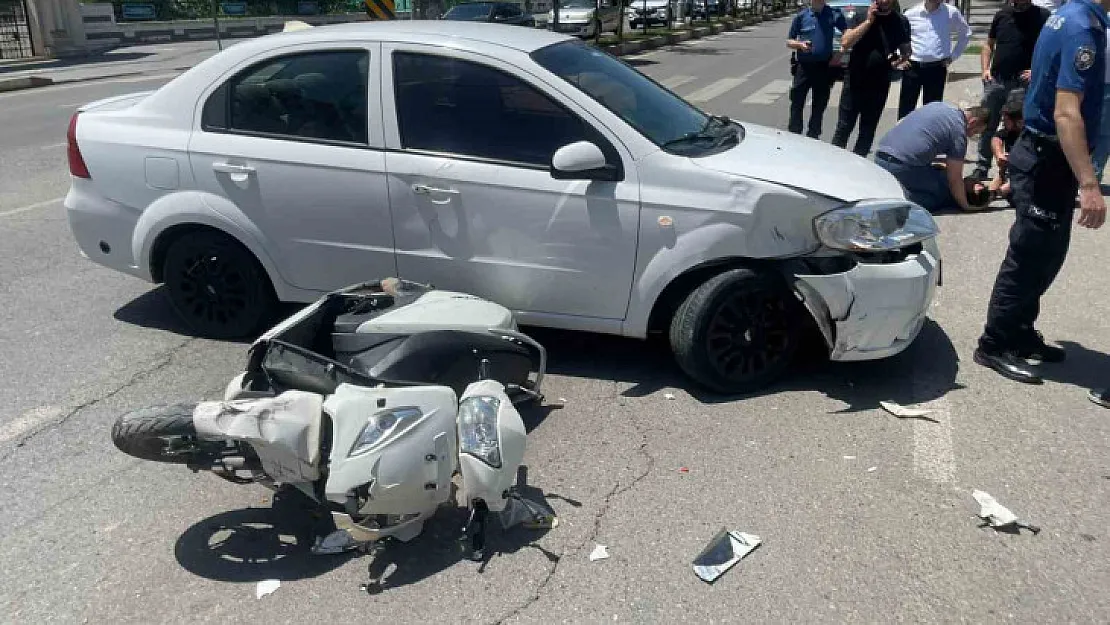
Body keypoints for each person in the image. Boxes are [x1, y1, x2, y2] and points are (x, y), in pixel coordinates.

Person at [974, 0, 1109, 384]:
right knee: (1030, 254)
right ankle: (995, 342)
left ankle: (1018, 331)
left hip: (1050, 157)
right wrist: (1089, 183)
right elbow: (1066, 113)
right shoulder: (1082, 27)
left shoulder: (1069, 15)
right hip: (1046, 159)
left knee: (1047, 253)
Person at [970, 0, 1051, 181]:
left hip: (1024, 84)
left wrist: (1037, 71)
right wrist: (985, 69)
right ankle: (982, 167)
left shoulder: (1043, 16)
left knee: (1020, 127)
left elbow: (1051, 48)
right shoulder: (1002, 15)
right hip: (997, 81)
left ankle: (1018, 169)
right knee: (987, 124)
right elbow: (988, 44)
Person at [874, 101, 992, 211]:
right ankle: (899, 200)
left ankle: (893, 188)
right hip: (900, 165)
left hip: (880, 155)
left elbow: (905, 124)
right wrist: (966, 206)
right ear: (973, 122)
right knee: (943, 192)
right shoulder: (959, 133)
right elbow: (954, 179)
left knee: (937, 174)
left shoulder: (940, 106)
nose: (971, 135)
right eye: (975, 132)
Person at [831, 0, 912, 157]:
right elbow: (846, 42)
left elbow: (905, 49)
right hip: (855, 80)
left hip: (879, 84)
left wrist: (901, 59)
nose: (884, 1)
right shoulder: (861, 16)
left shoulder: (900, 21)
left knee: (868, 130)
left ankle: (858, 166)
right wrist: (868, 22)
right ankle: (833, 162)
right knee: (844, 126)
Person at [786, 0, 850, 138]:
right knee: (797, 101)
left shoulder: (833, 14)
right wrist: (800, 44)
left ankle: (813, 134)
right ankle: (794, 133)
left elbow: (848, 33)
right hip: (804, 67)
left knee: (819, 104)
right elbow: (789, 41)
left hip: (823, 66)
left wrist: (841, 52)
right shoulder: (802, 16)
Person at [898, 0, 972, 119]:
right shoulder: (911, 14)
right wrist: (901, 57)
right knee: (906, 111)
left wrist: (953, 56)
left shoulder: (951, 12)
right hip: (912, 67)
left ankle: (929, 137)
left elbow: (966, 33)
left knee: (932, 113)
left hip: (937, 68)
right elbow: (900, 36)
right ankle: (901, 136)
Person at [987, 89, 1025, 202]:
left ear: (1019, 122)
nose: (1003, 121)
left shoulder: (1033, 135)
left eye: (1006, 119)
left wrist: (998, 192)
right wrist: (999, 155)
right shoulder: (1010, 130)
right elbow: (996, 138)